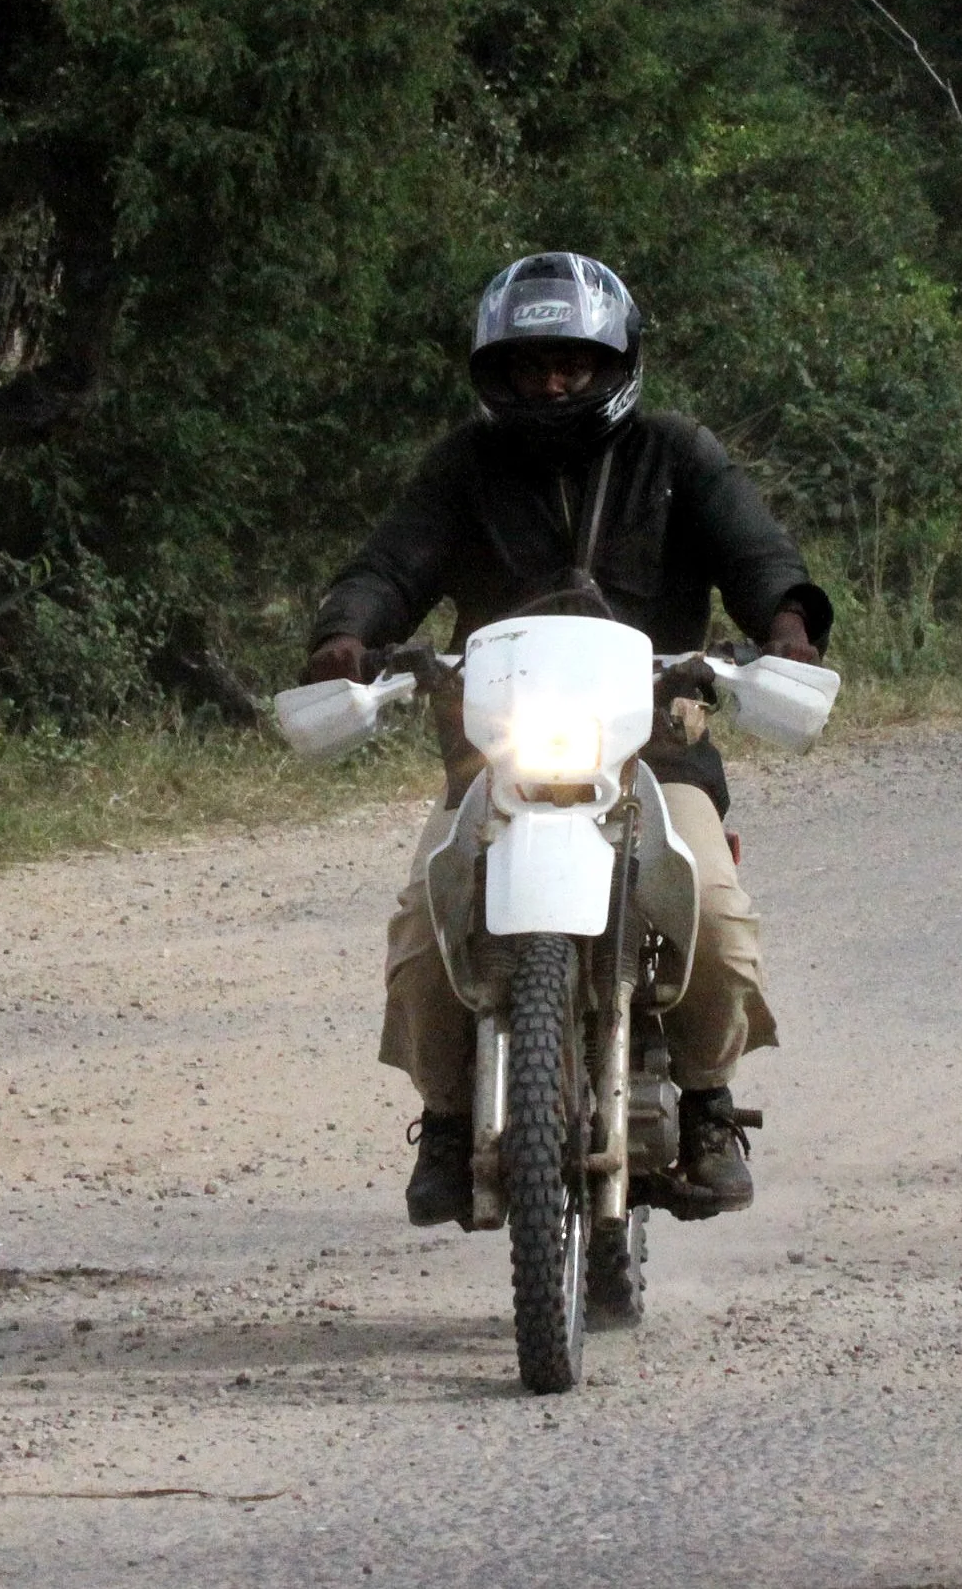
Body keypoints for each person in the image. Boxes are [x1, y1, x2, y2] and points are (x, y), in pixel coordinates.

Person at [304, 253, 832, 1228]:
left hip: (655, 746)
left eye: (574, 363)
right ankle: (451, 1119)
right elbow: (391, 562)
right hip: (496, 752)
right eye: (531, 364)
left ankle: (710, 1106)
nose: (552, 382)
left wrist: (785, 621)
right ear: (495, 372)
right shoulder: (464, 466)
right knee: (425, 927)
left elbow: (756, 550)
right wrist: (347, 629)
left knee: (711, 909)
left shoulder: (674, 455)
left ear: (613, 362)